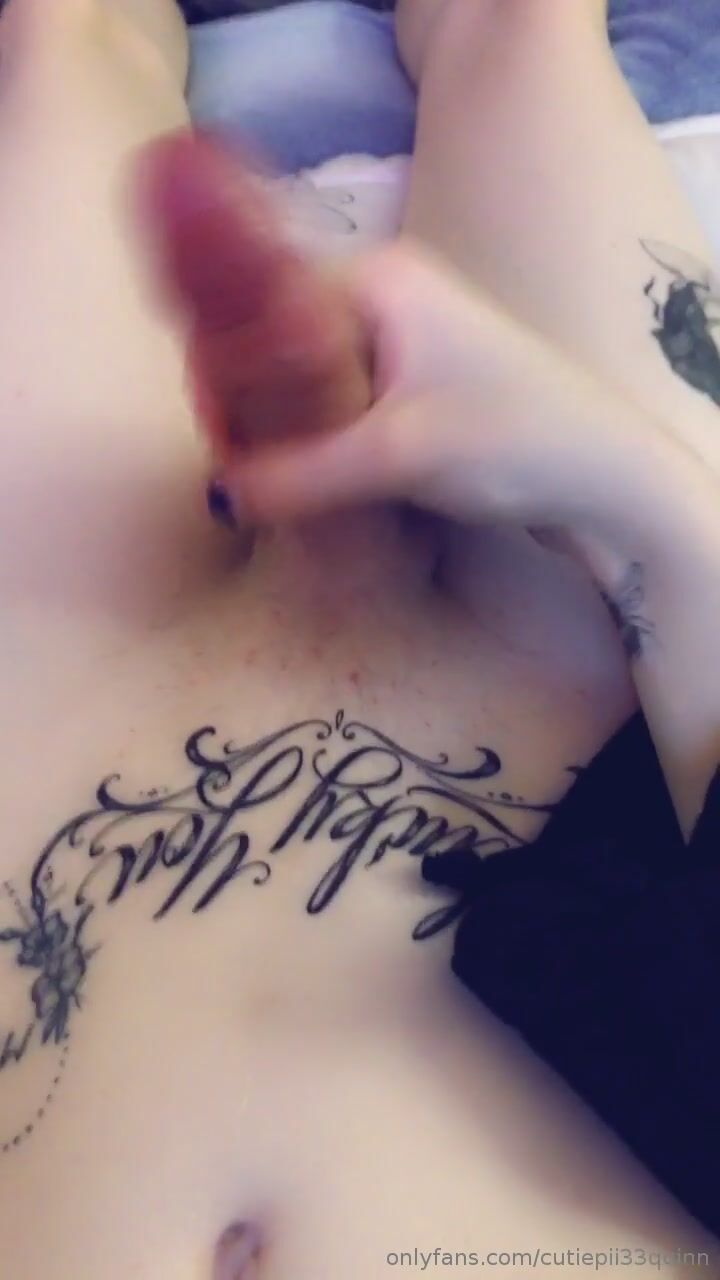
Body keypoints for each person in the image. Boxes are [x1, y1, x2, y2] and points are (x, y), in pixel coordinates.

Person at [0, 5, 717, 1280]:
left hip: (52, 770)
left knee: (58, 39)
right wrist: (625, 488)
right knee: (519, 28)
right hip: (607, 697)